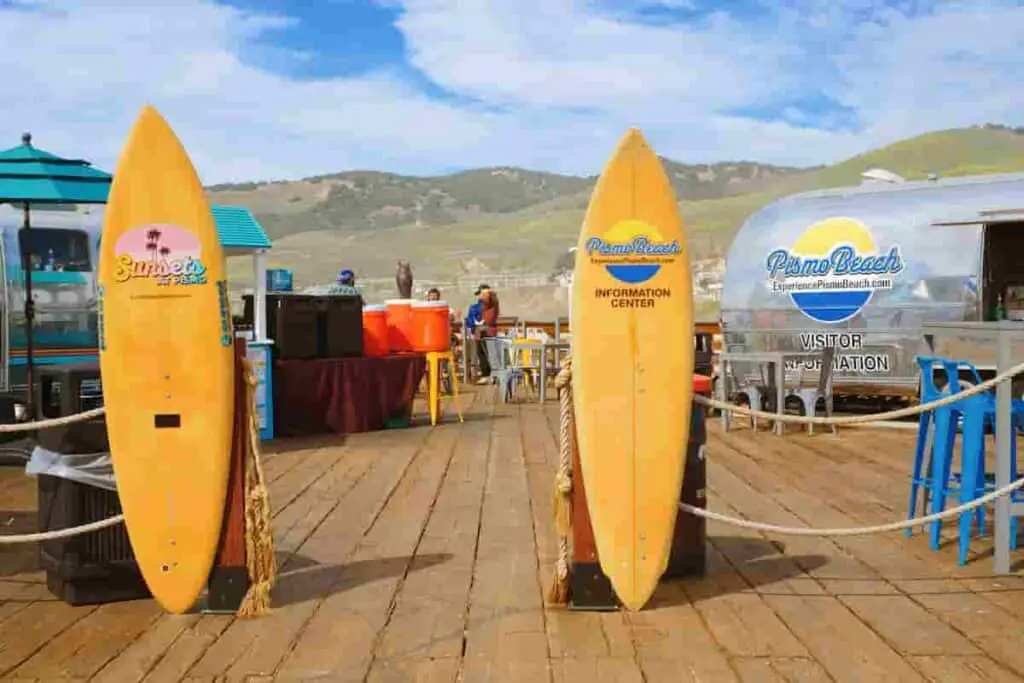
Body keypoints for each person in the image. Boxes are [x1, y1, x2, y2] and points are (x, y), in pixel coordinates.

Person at [474, 285, 500, 385]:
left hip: (488, 329)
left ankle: (491, 375)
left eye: (481, 293)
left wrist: (485, 294)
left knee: (489, 353)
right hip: (481, 329)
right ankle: (486, 375)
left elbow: (489, 303)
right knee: (481, 353)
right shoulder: (483, 303)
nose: (479, 296)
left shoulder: (491, 299)